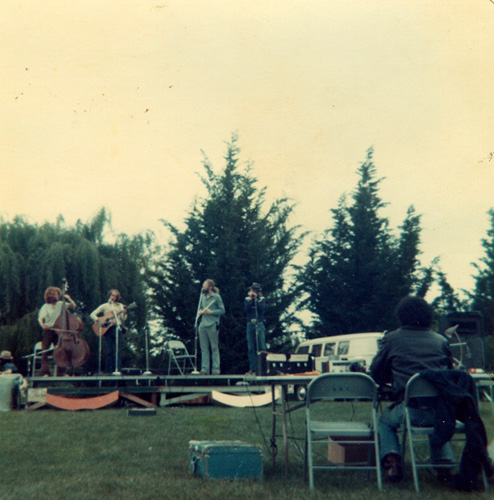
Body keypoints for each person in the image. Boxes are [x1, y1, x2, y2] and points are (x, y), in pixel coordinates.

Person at [369, 295, 454, 483]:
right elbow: (450, 374)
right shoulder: (441, 341)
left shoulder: (391, 339)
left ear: (401, 315)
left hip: (411, 409)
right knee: (437, 419)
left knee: (385, 421)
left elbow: (375, 373)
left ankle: (392, 463)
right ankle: (444, 466)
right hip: (442, 412)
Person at [38, 286, 77, 376]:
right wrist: (43, 325)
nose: (53, 296)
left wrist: (68, 298)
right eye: (50, 294)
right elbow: (40, 318)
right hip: (48, 330)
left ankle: (61, 372)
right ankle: (45, 373)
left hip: (59, 330)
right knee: (45, 352)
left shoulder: (61, 304)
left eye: (55, 294)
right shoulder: (45, 306)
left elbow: (73, 306)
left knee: (61, 352)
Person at [90, 289, 128, 374]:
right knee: (109, 350)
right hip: (107, 329)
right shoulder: (104, 306)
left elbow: (122, 319)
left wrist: (124, 314)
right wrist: (99, 321)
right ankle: (108, 370)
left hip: (117, 328)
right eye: (112, 295)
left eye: (115, 296)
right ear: (109, 296)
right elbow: (92, 314)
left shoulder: (120, 306)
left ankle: (118, 370)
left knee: (118, 350)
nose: (113, 297)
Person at [197, 279, 225, 375]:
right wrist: (200, 312)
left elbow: (222, 310)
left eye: (205, 285)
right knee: (204, 348)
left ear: (210, 287)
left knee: (214, 348)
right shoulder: (202, 297)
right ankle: (205, 369)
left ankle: (215, 370)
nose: (203, 287)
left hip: (212, 324)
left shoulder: (216, 297)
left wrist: (211, 312)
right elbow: (200, 308)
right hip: (203, 325)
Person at [244, 283, 266, 375]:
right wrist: (252, 300)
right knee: (251, 347)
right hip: (250, 323)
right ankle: (253, 368)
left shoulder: (262, 299)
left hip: (259, 322)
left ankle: (264, 367)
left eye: (255, 291)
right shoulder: (247, 299)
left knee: (261, 346)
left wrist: (256, 299)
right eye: (252, 290)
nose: (253, 292)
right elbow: (246, 309)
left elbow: (261, 309)